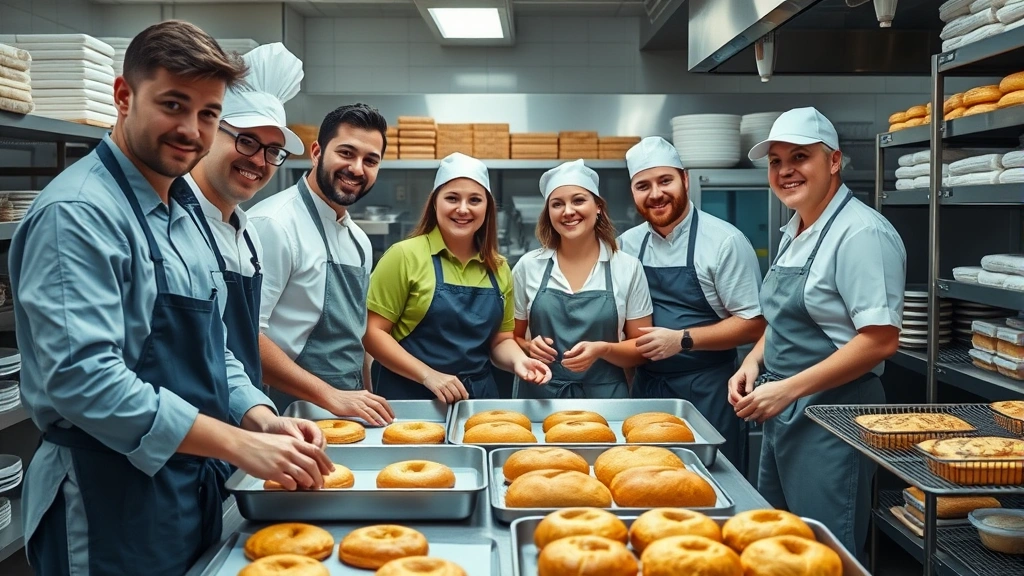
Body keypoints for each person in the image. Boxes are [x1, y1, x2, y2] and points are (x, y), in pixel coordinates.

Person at [10, 21, 333, 576]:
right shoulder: (79, 215)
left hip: (185, 484)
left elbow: (211, 344)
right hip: (106, 498)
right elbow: (84, 380)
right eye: (173, 105)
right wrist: (235, 443)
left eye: (208, 113)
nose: (191, 129)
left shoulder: (183, 211)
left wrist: (258, 416)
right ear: (123, 96)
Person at [730, 107, 905, 557]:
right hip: (785, 409)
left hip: (834, 417)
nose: (785, 170)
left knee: (826, 551)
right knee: (777, 544)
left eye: (800, 157)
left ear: (834, 161)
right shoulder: (795, 230)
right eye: (776, 161)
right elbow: (786, 318)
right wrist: (754, 361)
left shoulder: (861, 234)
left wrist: (788, 389)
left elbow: (880, 340)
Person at [618, 136, 766, 473]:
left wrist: (682, 339)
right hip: (646, 389)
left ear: (685, 180)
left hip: (708, 392)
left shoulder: (725, 242)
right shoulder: (627, 244)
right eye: (643, 185)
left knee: (712, 482)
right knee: (644, 480)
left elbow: (754, 323)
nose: (655, 193)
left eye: (665, 180)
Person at [364, 153, 552, 402]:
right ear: (435, 203)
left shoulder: (498, 268)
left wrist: (519, 360)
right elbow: (372, 333)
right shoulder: (404, 256)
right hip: (410, 398)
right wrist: (428, 375)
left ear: (487, 207)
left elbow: (500, 341)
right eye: (452, 198)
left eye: (475, 200)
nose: (463, 209)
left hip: (478, 400)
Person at [249, 103, 394, 425]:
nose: (357, 169)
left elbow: (355, 336)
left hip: (349, 413)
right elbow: (246, 335)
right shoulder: (274, 224)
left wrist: (366, 396)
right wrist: (331, 396)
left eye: (370, 160)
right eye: (346, 153)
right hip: (286, 415)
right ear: (317, 152)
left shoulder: (358, 240)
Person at [184, 42, 304, 390]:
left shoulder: (249, 235)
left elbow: (240, 344)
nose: (259, 161)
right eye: (247, 141)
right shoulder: (171, 224)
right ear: (209, 132)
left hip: (240, 409)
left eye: (273, 150)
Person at [512, 160, 653, 398]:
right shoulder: (528, 266)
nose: (568, 211)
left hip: (606, 399)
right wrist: (528, 347)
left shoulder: (627, 267)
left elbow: (642, 348)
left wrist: (604, 350)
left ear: (598, 207)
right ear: (548, 213)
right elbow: (509, 338)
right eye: (557, 204)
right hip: (540, 396)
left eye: (578, 200)